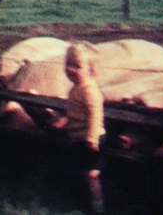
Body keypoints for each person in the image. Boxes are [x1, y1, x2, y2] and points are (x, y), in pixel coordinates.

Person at [48, 43, 106, 213]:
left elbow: (95, 114)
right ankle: (83, 203)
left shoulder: (89, 89)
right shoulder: (76, 88)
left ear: (90, 69)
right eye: (68, 65)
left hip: (92, 140)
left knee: (91, 175)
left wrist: (92, 138)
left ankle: (97, 208)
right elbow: (77, 112)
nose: (71, 69)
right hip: (79, 139)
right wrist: (65, 120)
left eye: (77, 66)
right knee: (82, 173)